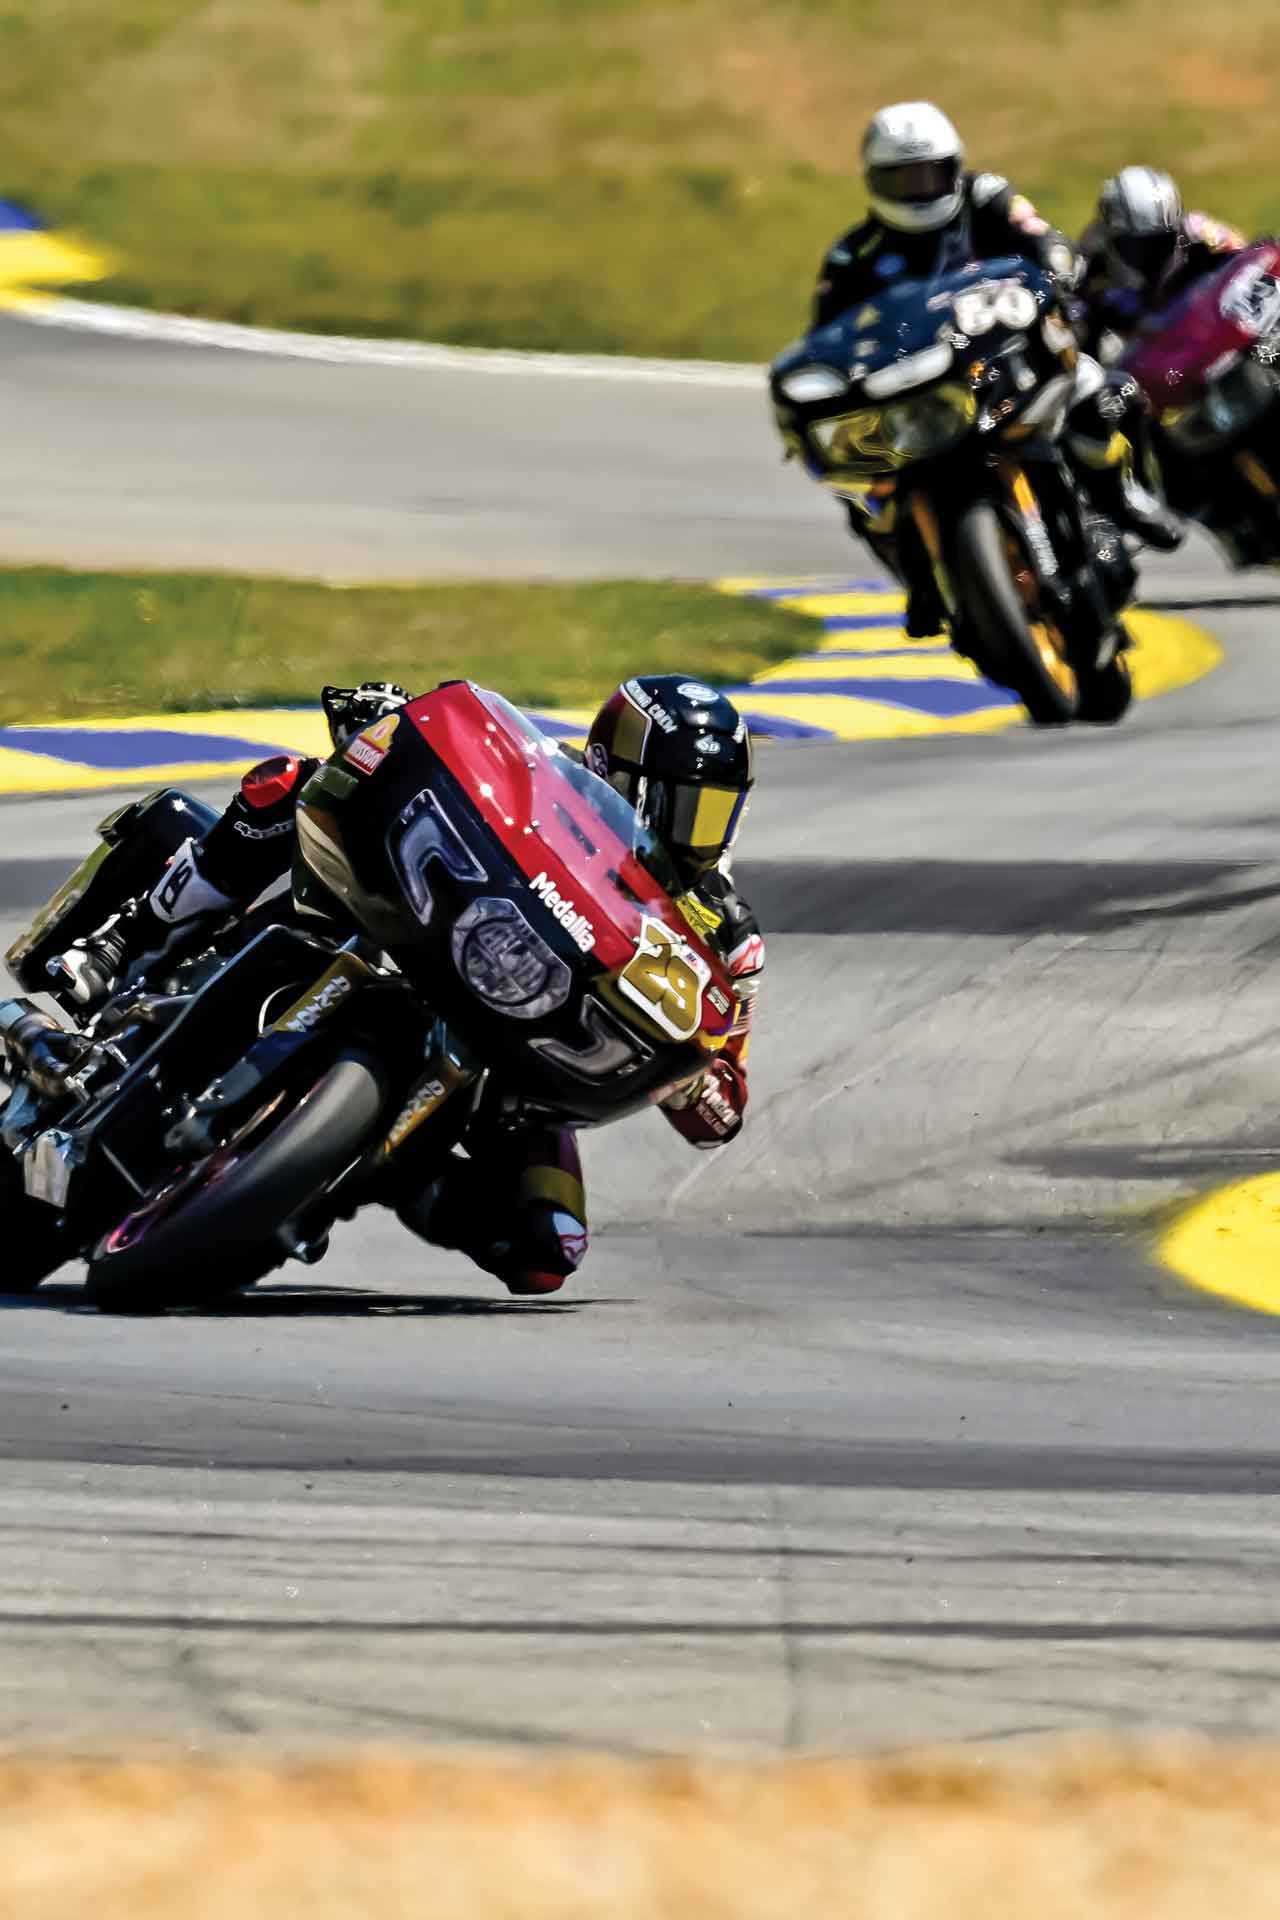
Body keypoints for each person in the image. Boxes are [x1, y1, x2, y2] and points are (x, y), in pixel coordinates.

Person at [52, 675, 764, 1297]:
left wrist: (688, 1069)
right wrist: (385, 719)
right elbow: (447, 742)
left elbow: (727, 1099)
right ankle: (123, 939)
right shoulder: (546, 778)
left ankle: (346, 1171)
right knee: (295, 782)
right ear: (619, 771)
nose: (697, 831)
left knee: (547, 1252)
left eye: (714, 809)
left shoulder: (725, 933)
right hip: (416, 930)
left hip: (519, 1065)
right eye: (683, 805)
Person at [810, 103, 1180, 632]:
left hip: (1008, 358)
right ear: (875, 181)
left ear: (953, 167)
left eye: (930, 173)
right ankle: (922, 585)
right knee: (862, 491)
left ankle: (1119, 496)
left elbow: (1040, 237)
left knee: (1099, 391)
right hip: (923, 395)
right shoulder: (854, 256)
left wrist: (1056, 262)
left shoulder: (985, 199)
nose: (919, 189)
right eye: (903, 178)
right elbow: (828, 339)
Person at [1075, 166, 1245, 357]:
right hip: (1150, 358)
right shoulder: (1092, 254)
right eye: (1139, 242)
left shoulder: (1198, 229)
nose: (1152, 251)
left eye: (1162, 239)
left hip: (1213, 329)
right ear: (1112, 232)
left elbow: (1245, 258)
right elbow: (1081, 309)